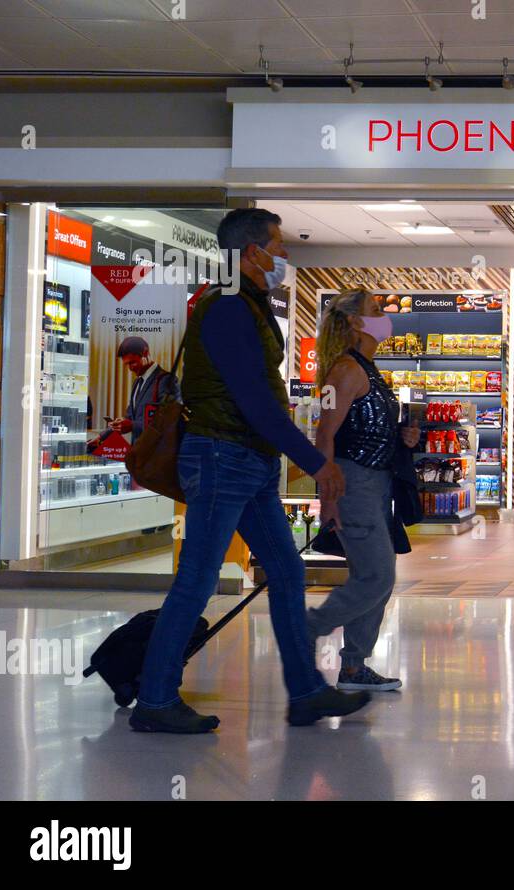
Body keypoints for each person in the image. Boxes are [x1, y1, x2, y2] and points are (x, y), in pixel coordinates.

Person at [131, 208, 367, 733]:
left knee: (286, 572)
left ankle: (305, 692)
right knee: (197, 579)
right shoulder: (229, 308)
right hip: (221, 456)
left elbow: (261, 404)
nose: (283, 256)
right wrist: (316, 464)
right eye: (277, 246)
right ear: (251, 252)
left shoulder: (250, 304)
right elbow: (255, 400)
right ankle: (154, 700)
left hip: (248, 459)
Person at [307, 289, 417, 691]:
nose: (384, 316)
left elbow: (366, 426)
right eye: (375, 310)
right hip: (354, 483)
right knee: (376, 577)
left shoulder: (369, 369)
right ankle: (306, 628)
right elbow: (325, 435)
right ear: (355, 323)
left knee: (376, 577)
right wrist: (328, 497)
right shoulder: (345, 370)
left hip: (377, 483)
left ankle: (354, 667)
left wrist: (403, 436)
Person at [89, 336, 176, 450]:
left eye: (133, 363)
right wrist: (101, 437)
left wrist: (132, 426)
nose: (130, 368)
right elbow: (129, 418)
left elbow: (169, 421)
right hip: (139, 454)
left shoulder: (167, 380)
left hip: (158, 456)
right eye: (127, 365)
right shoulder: (137, 383)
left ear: (145, 353)